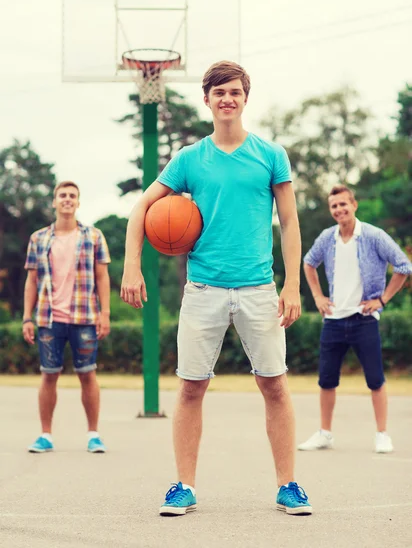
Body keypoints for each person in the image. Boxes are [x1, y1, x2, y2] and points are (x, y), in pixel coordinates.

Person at [121, 61, 312, 516]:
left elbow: (289, 223)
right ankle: (183, 485)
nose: (227, 99)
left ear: (246, 98)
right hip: (203, 289)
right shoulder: (189, 159)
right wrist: (132, 266)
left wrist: (291, 285)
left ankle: (288, 485)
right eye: (219, 92)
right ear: (206, 100)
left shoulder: (270, 155)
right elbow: (140, 210)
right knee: (191, 388)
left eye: (235, 92)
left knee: (275, 386)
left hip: (258, 289)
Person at [298, 185, 412, 453]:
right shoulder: (328, 238)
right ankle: (325, 433)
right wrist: (318, 297)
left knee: (375, 379)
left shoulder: (373, 235)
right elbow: (308, 263)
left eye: (343, 205)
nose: (339, 210)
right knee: (326, 380)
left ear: (354, 205)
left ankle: (382, 434)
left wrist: (381, 300)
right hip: (334, 320)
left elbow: (404, 266)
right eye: (334, 206)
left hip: (364, 319)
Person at [23, 181, 111, 454]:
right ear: (54, 201)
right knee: (49, 375)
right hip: (50, 318)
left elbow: (102, 276)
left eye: (72, 195)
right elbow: (32, 280)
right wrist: (27, 317)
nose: (67, 199)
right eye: (62, 195)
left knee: (88, 374)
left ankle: (94, 435)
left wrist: (104, 313)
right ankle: (45, 435)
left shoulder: (93, 236)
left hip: (84, 316)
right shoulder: (39, 238)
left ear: (78, 202)